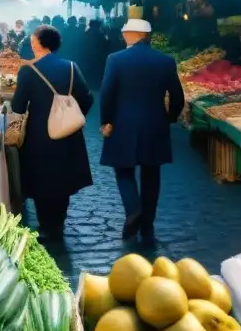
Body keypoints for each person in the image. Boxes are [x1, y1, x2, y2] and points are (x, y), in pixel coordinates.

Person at [99, 18, 185, 244]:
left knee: (123, 170)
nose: (123, 36)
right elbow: (178, 97)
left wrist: (106, 121)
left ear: (134, 34)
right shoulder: (165, 60)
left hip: (122, 124)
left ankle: (133, 210)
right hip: (154, 124)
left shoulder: (115, 59)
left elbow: (107, 93)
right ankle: (147, 225)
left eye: (125, 32)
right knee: (152, 175)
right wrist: (169, 119)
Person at [10, 25, 93, 241]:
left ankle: (46, 225)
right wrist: (70, 118)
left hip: (39, 134)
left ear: (38, 43)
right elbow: (86, 98)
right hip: (68, 133)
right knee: (63, 177)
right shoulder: (72, 67)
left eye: (33, 38)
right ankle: (59, 221)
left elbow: (18, 106)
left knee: (41, 177)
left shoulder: (28, 70)